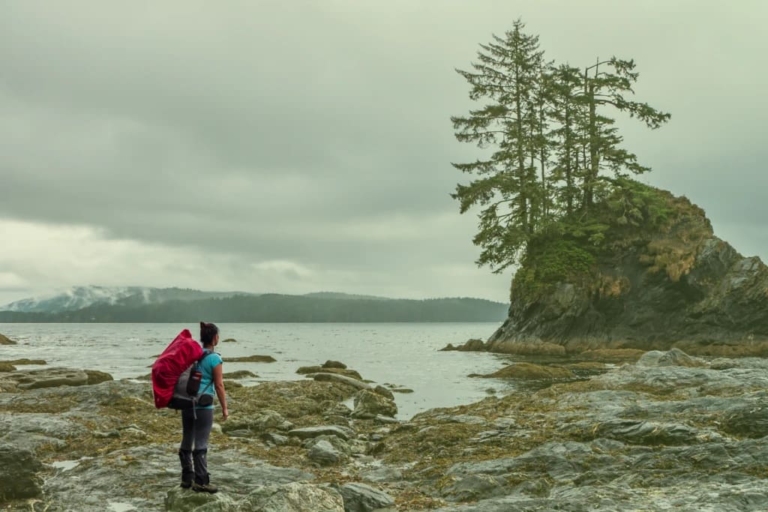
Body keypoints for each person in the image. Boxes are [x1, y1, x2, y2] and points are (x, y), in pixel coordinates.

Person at [178, 321, 228, 493]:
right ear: (214, 338)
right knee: (201, 442)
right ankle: (201, 481)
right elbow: (219, 385)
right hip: (204, 406)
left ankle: (187, 478)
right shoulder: (215, 358)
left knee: (187, 439)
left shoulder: (194, 355)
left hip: (187, 402)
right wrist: (224, 408)